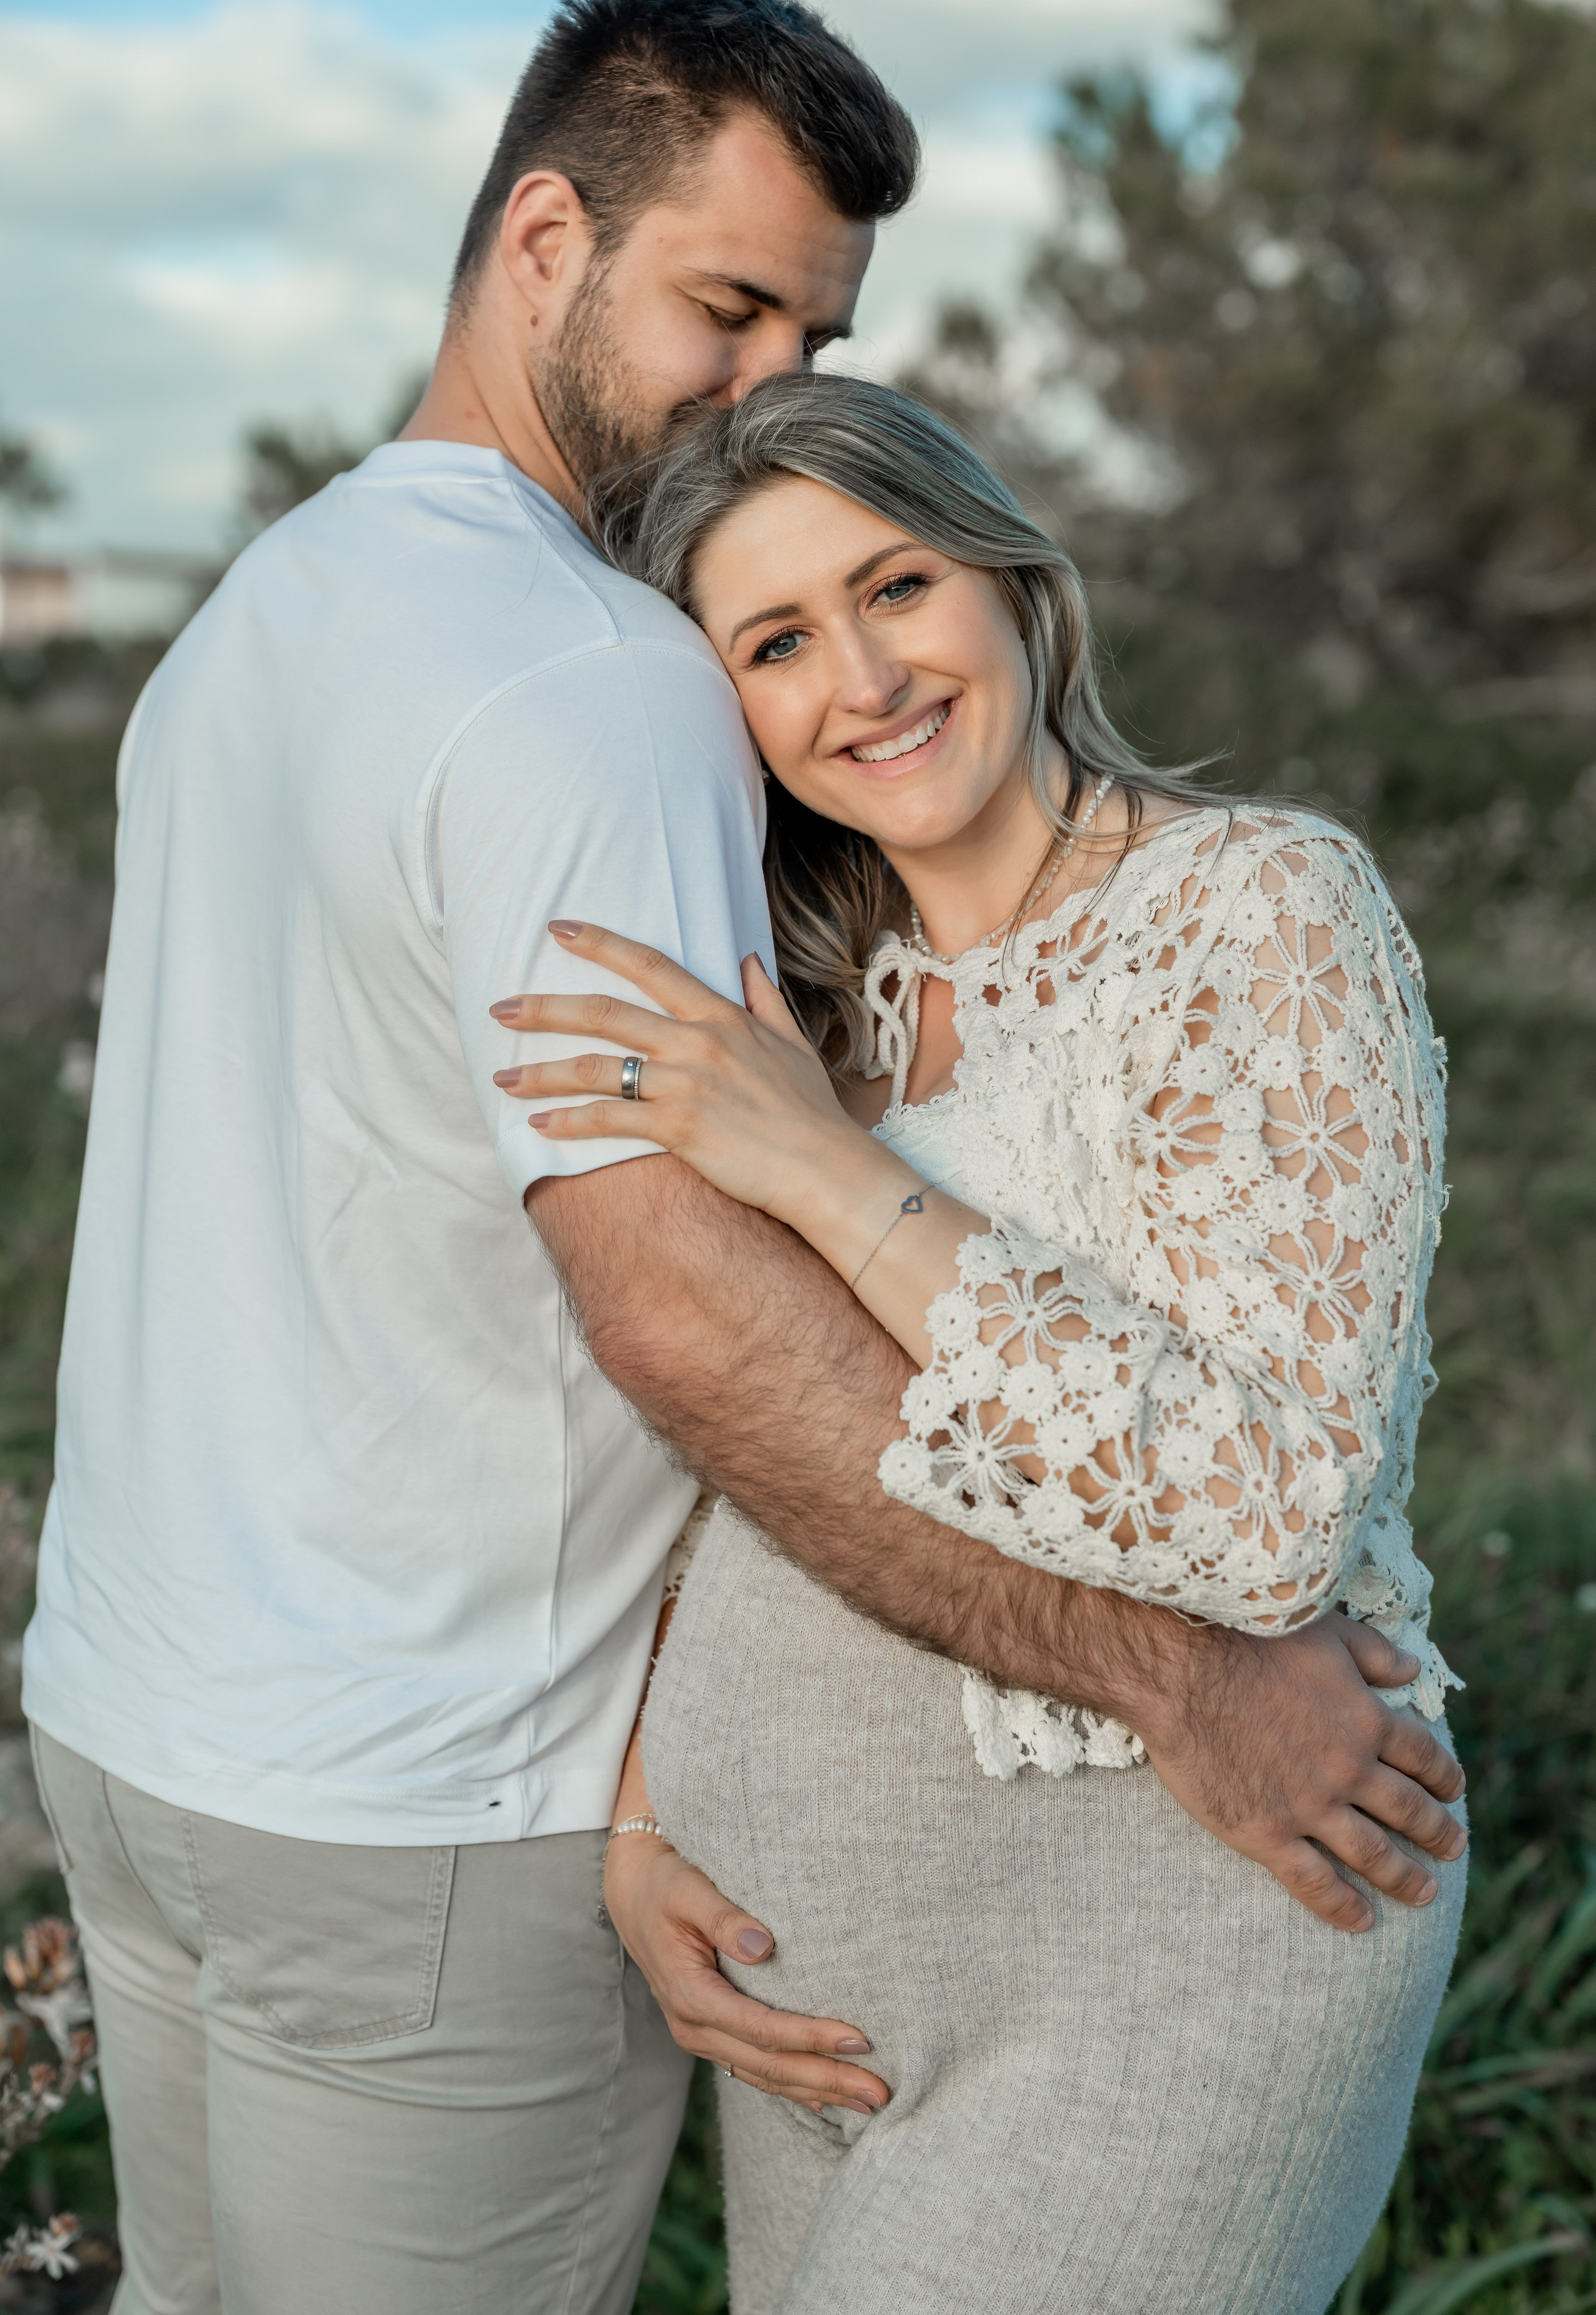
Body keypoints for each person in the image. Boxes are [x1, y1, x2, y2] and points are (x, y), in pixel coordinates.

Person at [21, 0, 918, 2315]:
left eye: (816, 340)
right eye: (729, 309)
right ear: (544, 238)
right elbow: (691, 1309)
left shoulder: (257, 611)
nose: (772, 395)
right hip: (425, 1801)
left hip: (145, 1731)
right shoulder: (599, 679)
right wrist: (1182, 1669)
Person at [490, 370, 1469, 2314]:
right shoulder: (808, 1004)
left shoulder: (1259, 910)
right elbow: (744, 1442)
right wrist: (645, 1810)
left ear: (1016, 584)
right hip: (803, 1989)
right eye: (776, 641)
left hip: (1170, 1948)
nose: (863, 678)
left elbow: (1266, 1504)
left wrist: (827, 1173)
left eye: (897, 586)